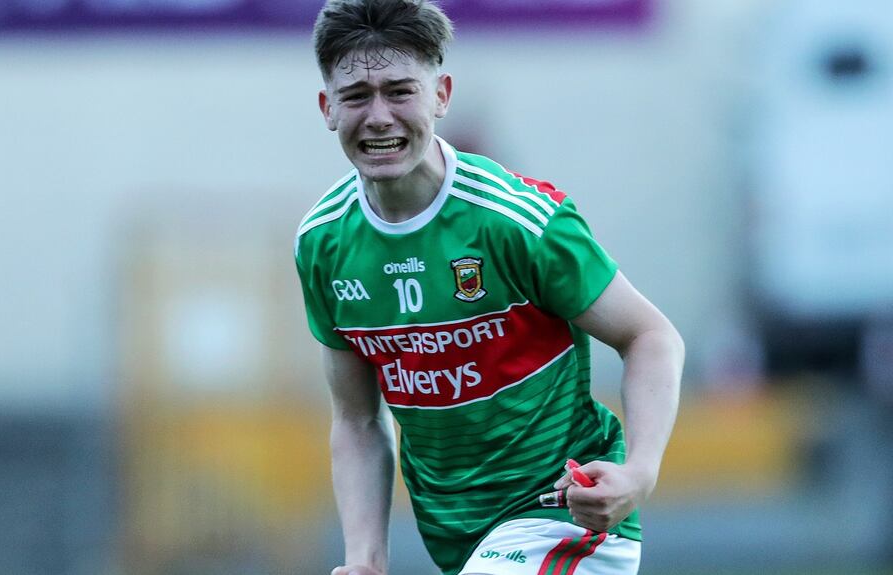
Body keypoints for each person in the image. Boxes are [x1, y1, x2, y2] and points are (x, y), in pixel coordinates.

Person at [293, 1, 684, 574]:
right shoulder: (322, 244)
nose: (379, 116)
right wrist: (365, 559)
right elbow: (356, 419)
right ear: (328, 108)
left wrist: (640, 472)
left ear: (441, 95)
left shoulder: (516, 220)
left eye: (401, 91)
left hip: (565, 517)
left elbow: (651, 335)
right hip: (461, 544)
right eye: (357, 96)